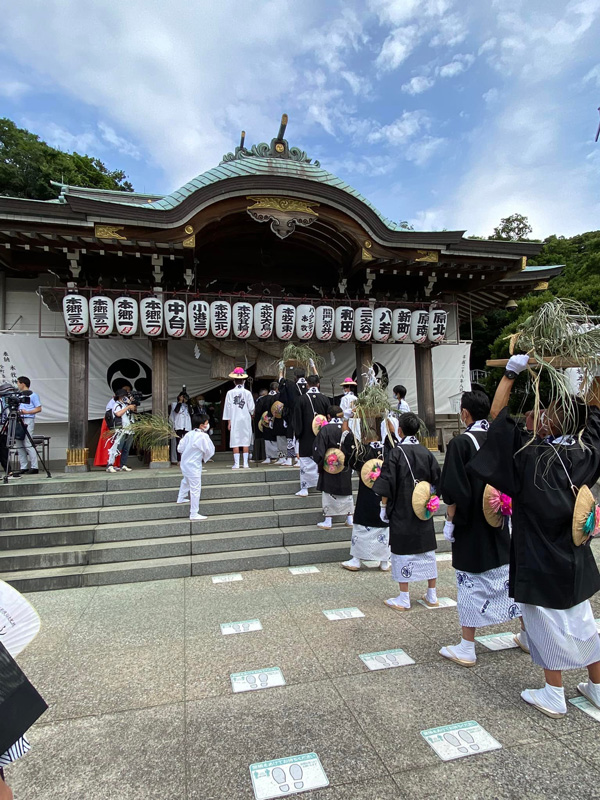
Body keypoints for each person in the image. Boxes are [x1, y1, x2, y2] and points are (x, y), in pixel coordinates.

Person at [469, 353, 600, 718]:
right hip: (573, 556)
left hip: (539, 556)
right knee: (582, 621)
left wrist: (511, 375)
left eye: (546, 411)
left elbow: (495, 420)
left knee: (546, 625)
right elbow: (597, 420)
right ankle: (597, 688)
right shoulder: (585, 452)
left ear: (553, 424)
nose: (537, 414)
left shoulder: (529, 456)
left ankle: (554, 694)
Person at [438, 390, 523, 668]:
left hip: (471, 525)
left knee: (471, 583)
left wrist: (449, 522)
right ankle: (528, 634)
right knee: (508, 577)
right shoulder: (499, 439)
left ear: (465, 414)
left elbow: (453, 490)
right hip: (500, 518)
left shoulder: (461, 443)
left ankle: (467, 646)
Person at [373, 412, 441, 611]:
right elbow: (437, 480)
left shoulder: (395, 453)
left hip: (402, 507)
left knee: (402, 551)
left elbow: (387, 482)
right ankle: (432, 594)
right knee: (427, 550)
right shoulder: (427, 452)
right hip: (423, 509)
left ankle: (404, 597)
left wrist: (383, 507)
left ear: (399, 430)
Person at [341, 430, 390, 572]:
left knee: (362, 526)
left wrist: (348, 431)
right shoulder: (388, 449)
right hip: (384, 495)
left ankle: (356, 560)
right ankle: (384, 561)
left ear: (365, 438)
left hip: (367, 496)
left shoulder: (363, 451)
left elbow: (349, 460)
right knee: (384, 527)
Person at [313, 405, 356, 529]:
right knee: (346, 491)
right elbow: (352, 447)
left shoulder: (325, 429)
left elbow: (319, 449)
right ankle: (350, 518)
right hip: (345, 464)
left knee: (328, 491)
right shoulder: (346, 429)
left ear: (328, 416)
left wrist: (320, 462)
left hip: (329, 465)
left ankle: (328, 520)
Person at [293, 374, 330, 497]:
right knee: (321, 458)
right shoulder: (325, 399)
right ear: (318, 384)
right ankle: (323, 485)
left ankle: (305, 489)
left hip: (306, 435)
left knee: (305, 460)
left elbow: (297, 419)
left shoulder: (301, 399)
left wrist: (298, 434)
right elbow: (328, 417)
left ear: (307, 384)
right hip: (322, 434)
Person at [176, 413, 215, 520]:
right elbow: (210, 451)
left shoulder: (188, 434)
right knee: (195, 488)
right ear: (202, 425)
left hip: (185, 463)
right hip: (193, 465)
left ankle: (181, 497)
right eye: (206, 423)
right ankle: (194, 513)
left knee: (186, 480)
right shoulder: (203, 436)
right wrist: (204, 457)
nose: (208, 425)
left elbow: (180, 448)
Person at [222, 368, 255, 470]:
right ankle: (245, 463)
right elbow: (252, 408)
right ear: (244, 381)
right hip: (245, 419)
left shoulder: (230, 393)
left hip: (234, 419)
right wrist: (252, 414)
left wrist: (229, 422)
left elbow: (227, 408)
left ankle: (236, 464)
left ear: (234, 381)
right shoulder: (248, 393)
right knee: (245, 440)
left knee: (235, 440)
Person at [94, 385, 130, 468]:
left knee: (119, 443)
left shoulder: (125, 402)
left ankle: (118, 463)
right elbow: (114, 413)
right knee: (110, 442)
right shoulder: (115, 402)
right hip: (111, 422)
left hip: (121, 422)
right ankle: (109, 462)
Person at [14, 376, 41, 475]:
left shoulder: (33, 395)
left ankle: (34, 466)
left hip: (28, 419)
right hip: (19, 419)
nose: (17, 385)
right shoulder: (18, 395)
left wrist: (27, 412)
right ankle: (23, 466)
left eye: (18, 382)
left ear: (22, 384)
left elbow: (38, 408)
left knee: (28, 443)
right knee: (19, 443)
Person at [106, 388, 137, 474]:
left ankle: (123, 464)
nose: (125, 397)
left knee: (126, 448)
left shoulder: (126, 404)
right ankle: (110, 465)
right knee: (117, 447)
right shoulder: (116, 404)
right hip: (121, 429)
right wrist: (127, 407)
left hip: (129, 428)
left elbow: (134, 411)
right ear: (119, 397)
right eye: (124, 396)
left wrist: (132, 405)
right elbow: (118, 414)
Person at [170, 391, 193, 463]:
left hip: (187, 426)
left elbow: (191, 412)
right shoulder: (174, 404)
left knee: (187, 442)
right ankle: (179, 459)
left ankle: (187, 458)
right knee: (179, 443)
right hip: (178, 425)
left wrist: (187, 402)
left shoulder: (188, 406)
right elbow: (176, 411)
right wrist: (180, 402)